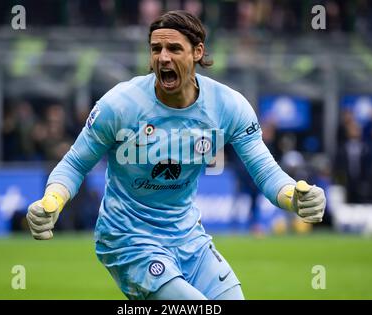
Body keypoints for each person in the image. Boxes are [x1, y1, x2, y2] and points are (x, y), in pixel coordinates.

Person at [26, 10, 326, 300]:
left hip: (188, 239)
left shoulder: (228, 106)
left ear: (197, 52)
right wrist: (53, 201)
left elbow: (266, 172)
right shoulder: (119, 105)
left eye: (173, 48)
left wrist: (293, 197)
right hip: (128, 239)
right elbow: (75, 163)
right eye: (156, 49)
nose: (163, 58)